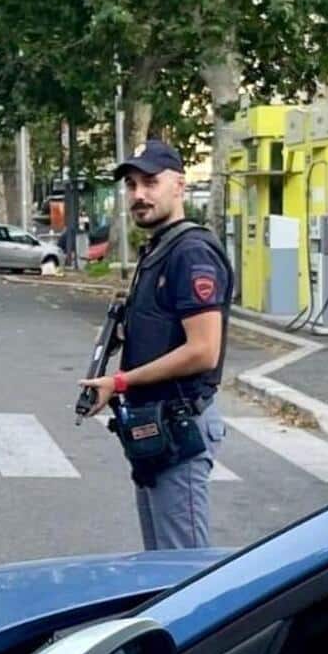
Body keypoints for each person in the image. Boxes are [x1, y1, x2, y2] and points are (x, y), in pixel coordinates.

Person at [79, 139, 232, 550]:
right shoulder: (160, 250)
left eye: (150, 182)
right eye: (131, 185)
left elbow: (204, 350)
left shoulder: (191, 252)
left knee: (184, 571)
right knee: (159, 569)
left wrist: (121, 382)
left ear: (179, 185)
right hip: (154, 431)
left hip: (178, 429)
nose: (139, 195)